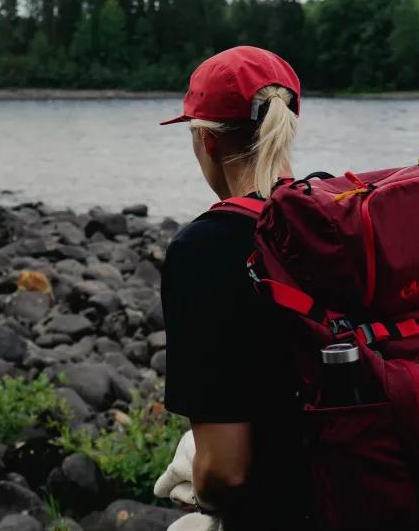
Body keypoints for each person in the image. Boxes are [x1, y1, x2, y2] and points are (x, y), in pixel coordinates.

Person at [158, 45, 310, 529]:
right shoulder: (334, 222)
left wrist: (194, 479)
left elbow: (225, 471)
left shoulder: (202, 250)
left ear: (206, 142)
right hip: (375, 498)